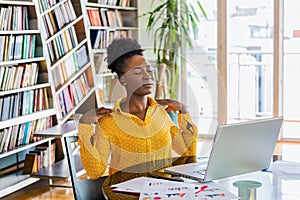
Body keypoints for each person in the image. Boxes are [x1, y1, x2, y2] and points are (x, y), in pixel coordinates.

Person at [78, 38, 198, 180]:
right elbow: (95, 171)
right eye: (137, 72)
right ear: (123, 79)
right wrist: (84, 123)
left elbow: (188, 155)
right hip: (127, 195)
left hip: (163, 192)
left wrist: (183, 111)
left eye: (148, 70)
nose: (147, 76)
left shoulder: (161, 114)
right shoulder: (109, 122)